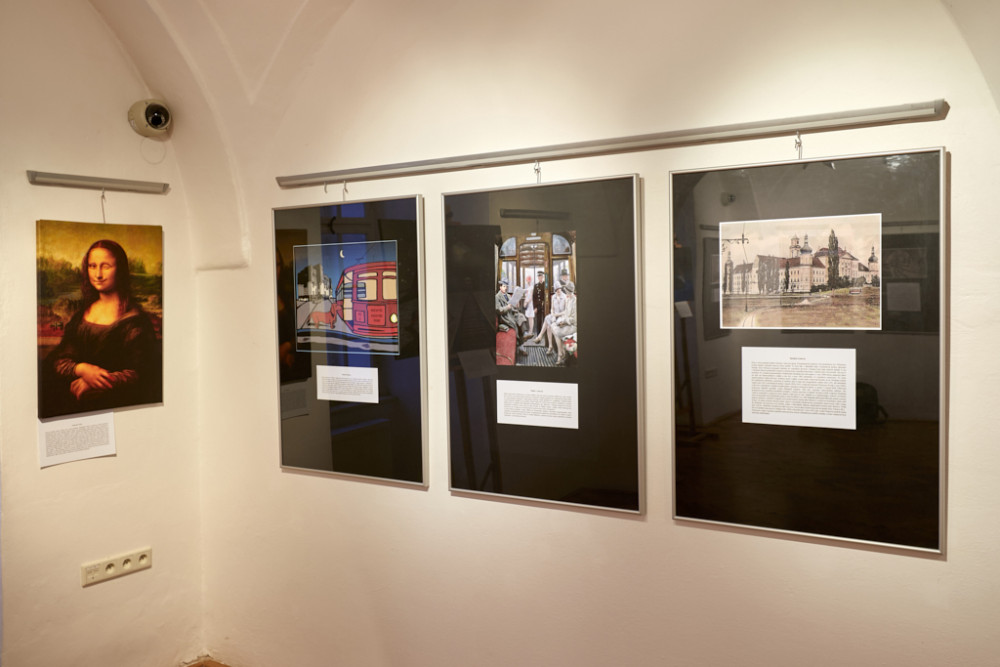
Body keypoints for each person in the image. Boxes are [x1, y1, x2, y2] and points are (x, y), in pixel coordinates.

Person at [40, 239, 161, 417]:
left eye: (106, 266)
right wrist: (82, 369)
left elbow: (142, 373)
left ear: (120, 270)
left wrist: (96, 381)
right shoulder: (82, 315)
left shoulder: (135, 321)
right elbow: (59, 360)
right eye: (92, 266)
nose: (98, 274)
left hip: (117, 407)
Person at [548, 281, 577, 365]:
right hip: (567, 323)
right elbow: (566, 314)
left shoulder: (575, 301)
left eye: (566, 291)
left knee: (556, 331)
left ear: (569, 291)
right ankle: (561, 353)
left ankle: (560, 354)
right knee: (553, 326)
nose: (565, 293)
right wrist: (562, 321)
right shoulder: (568, 299)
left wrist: (564, 321)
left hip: (573, 326)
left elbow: (574, 320)